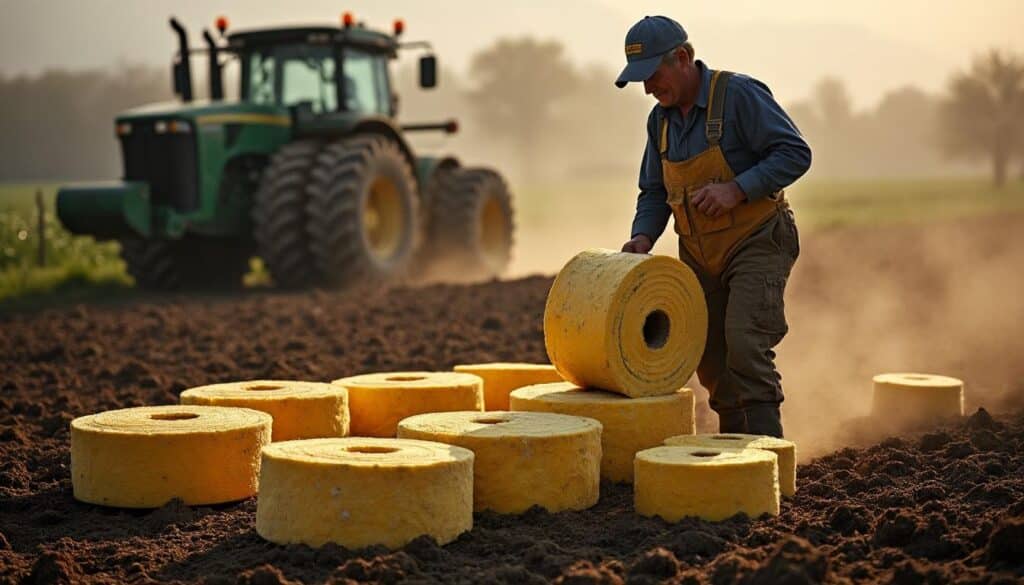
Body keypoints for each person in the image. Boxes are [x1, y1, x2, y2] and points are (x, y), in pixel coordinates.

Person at [615, 15, 811, 438]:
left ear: (683, 58)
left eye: (653, 75)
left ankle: (767, 456)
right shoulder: (660, 121)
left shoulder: (739, 94)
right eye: (641, 81)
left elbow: (795, 152)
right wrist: (642, 236)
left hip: (757, 240)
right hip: (700, 253)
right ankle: (733, 457)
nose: (648, 88)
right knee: (711, 358)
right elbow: (653, 190)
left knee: (745, 344)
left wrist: (738, 189)